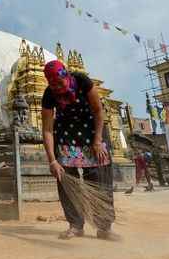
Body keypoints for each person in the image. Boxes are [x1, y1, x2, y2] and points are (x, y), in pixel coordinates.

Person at [41, 60, 115, 240]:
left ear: (66, 75)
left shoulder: (82, 81)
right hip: (66, 135)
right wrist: (52, 160)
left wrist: (97, 141)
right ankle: (75, 225)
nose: (57, 88)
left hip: (92, 131)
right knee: (66, 179)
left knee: (99, 179)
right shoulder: (49, 94)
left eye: (60, 83)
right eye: (53, 85)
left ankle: (104, 227)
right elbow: (47, 129)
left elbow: (98, 111)